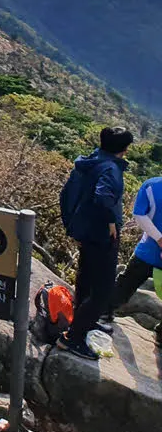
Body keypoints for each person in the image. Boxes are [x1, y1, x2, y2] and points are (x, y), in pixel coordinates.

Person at [58, 126, 134, 360]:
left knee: (86, 278)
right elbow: (102, 196)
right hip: (101, 235)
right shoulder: (111, 168)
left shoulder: (91, 160)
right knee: (102, 290)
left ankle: (82, 320)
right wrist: (111, 222)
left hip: (85, 229)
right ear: (124, 149)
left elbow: (68, 194)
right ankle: (72, 338)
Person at [107, 174, 162, 345]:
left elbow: (140, 215)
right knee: (127, 282)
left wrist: (159, 239)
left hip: (148, 250)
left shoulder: (152, 185)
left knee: (126, 282)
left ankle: (104, 312)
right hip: (148, 251)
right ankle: (105, 311)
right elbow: (139, 215)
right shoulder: (152, 186)